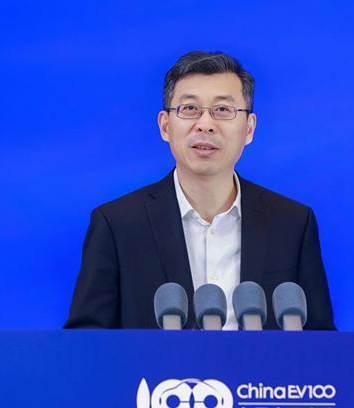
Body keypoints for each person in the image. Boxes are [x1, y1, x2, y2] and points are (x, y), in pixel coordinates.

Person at [65, 51, 335, 330]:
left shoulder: (292, 223)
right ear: (165, 126)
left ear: (249, 128)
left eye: (223, 110)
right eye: (190, 109)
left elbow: (322, 341)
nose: (205, 124)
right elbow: (86, 340)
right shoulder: (117, 225)